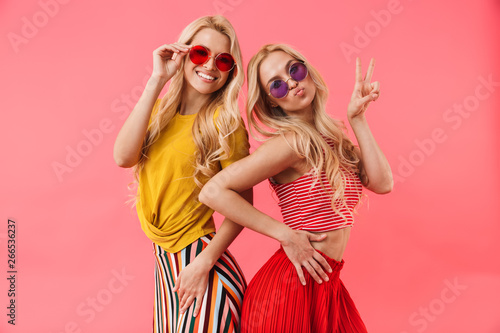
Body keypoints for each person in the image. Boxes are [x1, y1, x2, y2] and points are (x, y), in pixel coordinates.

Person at [199, 44, 393, 332]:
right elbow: (212, 192)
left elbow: (382, 183)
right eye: (277, 85)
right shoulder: (292, 143)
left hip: (326, 285)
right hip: (290, 289)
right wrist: (285, 235)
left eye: (294, 70)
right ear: (272, 102)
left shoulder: (332, 139)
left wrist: (358, 119)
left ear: (308, 71)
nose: (291, 83)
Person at [113, 15, 251, 333]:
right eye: (201, 53)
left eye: (224, 60)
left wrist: (203, 264)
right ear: (184, 53)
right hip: (167, 271)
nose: (210, 66)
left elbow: (243, 205)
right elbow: (123, 156)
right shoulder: (160, 114)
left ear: (232, 70)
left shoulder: (224, 122)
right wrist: (157, 80)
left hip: (203, 269)